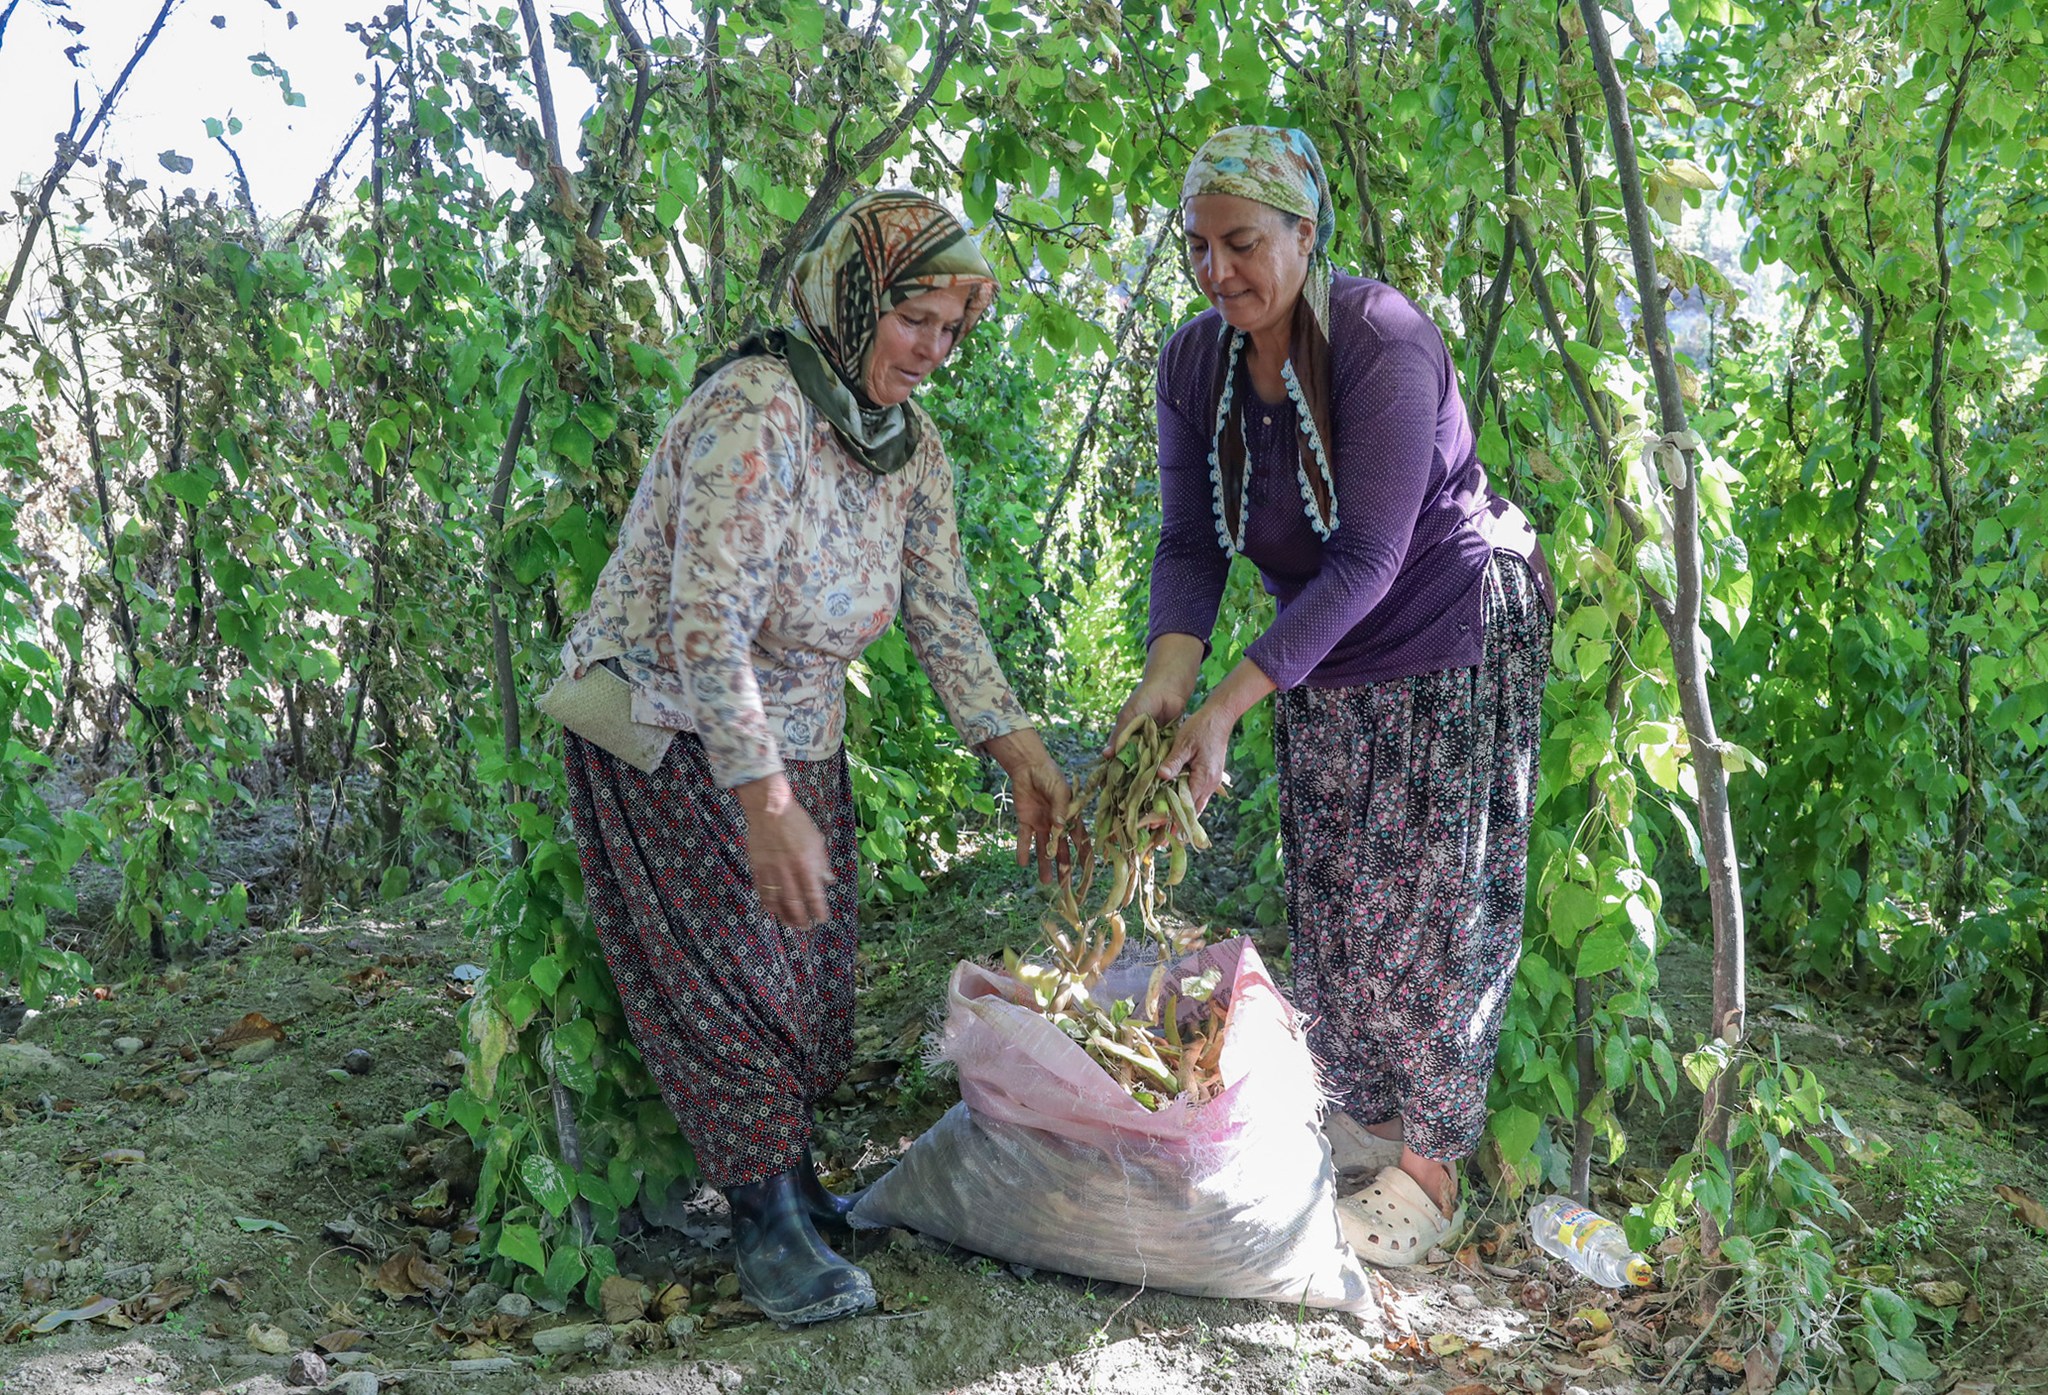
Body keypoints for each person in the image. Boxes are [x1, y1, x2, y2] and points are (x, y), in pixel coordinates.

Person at [556, 189, 1074, 1325]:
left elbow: (943, 612)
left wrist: (1020, 753)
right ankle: (765, 1227)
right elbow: (705, 624)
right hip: (668, 728)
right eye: (914, 322)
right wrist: (761, 800)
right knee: (731, 977)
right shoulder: (758, 410)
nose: (934, 353)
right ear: (852, 301)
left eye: (952, 331)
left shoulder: (905, 444)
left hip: (794, 739)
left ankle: (790, 1187)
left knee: (802, 974)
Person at [1112, 127, 1555, 1265]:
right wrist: (1169, 682)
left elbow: (1367, 555)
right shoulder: (1192, 365)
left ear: (1304, 234)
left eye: (1244, 244)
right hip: (1325, 645)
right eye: (1198, 248)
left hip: (1444, 624)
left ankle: (1431, 1176)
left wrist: (1228, 704)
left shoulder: (1378, 341)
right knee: (1342, 884)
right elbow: (1189, 543)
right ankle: (1364, 1131)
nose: (1218, 273)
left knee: (1436, 899)